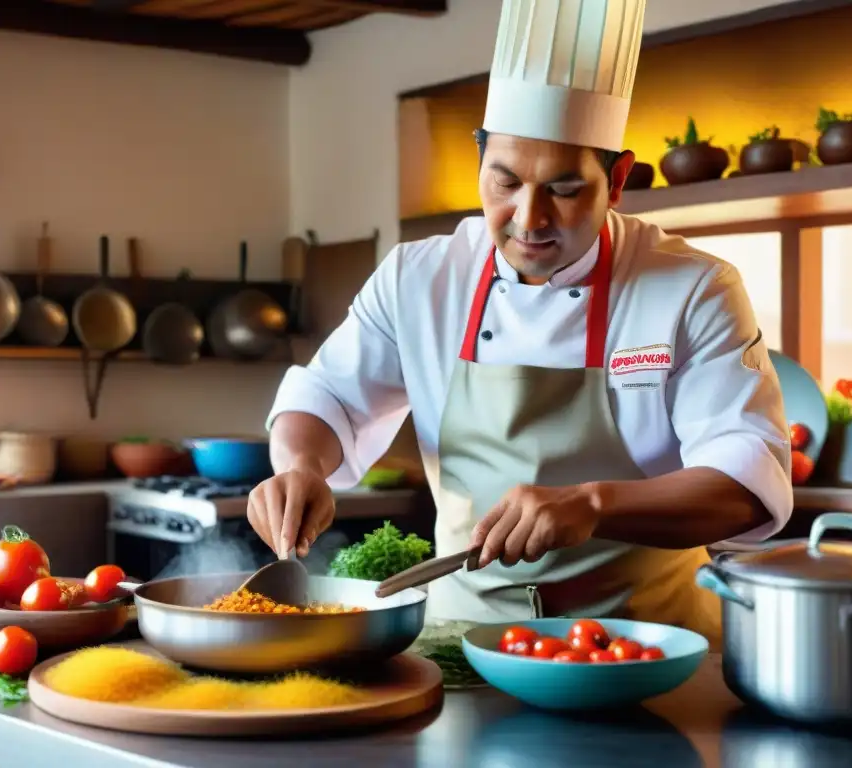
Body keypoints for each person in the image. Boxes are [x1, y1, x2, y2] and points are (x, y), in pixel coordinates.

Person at [247, 0, 792, 646]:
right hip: (459, 649)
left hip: (644, 647)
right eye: (503, 183)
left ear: (616, 180)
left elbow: (746, 484)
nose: (528, 219)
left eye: (563, 190)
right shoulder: (419, 278)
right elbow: (327, 397)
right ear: (479, 162)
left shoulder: (694, 288)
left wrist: (594, 504)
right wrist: (302, 466)